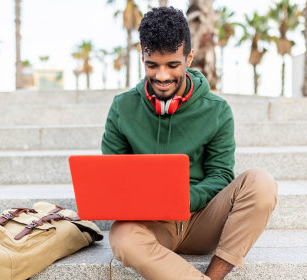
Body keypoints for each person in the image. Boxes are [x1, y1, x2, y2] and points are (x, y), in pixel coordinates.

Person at [101, 6, 278, 280]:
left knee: (261, 182)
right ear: (143, 58)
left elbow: (220, 175)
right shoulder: (122, 108)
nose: (162, 76)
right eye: (152, 65)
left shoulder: (217, 110)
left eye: (172, 64)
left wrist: (182, 198)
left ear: (189, 58)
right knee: (122, 237)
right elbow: (112, 177)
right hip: (152, 226)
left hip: (202, 221)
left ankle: (215, 275)